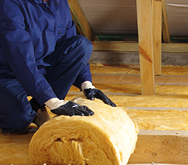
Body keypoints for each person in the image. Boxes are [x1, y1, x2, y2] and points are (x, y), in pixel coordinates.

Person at [0, 0, 116, 134]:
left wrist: (87, 84)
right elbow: (21, 59)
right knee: (18, 122)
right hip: (8, 73)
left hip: (41, 68)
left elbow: (71, 44)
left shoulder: (59, 3)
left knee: (82, 46)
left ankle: (39, 105)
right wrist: (54, 102)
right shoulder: (10, 3)